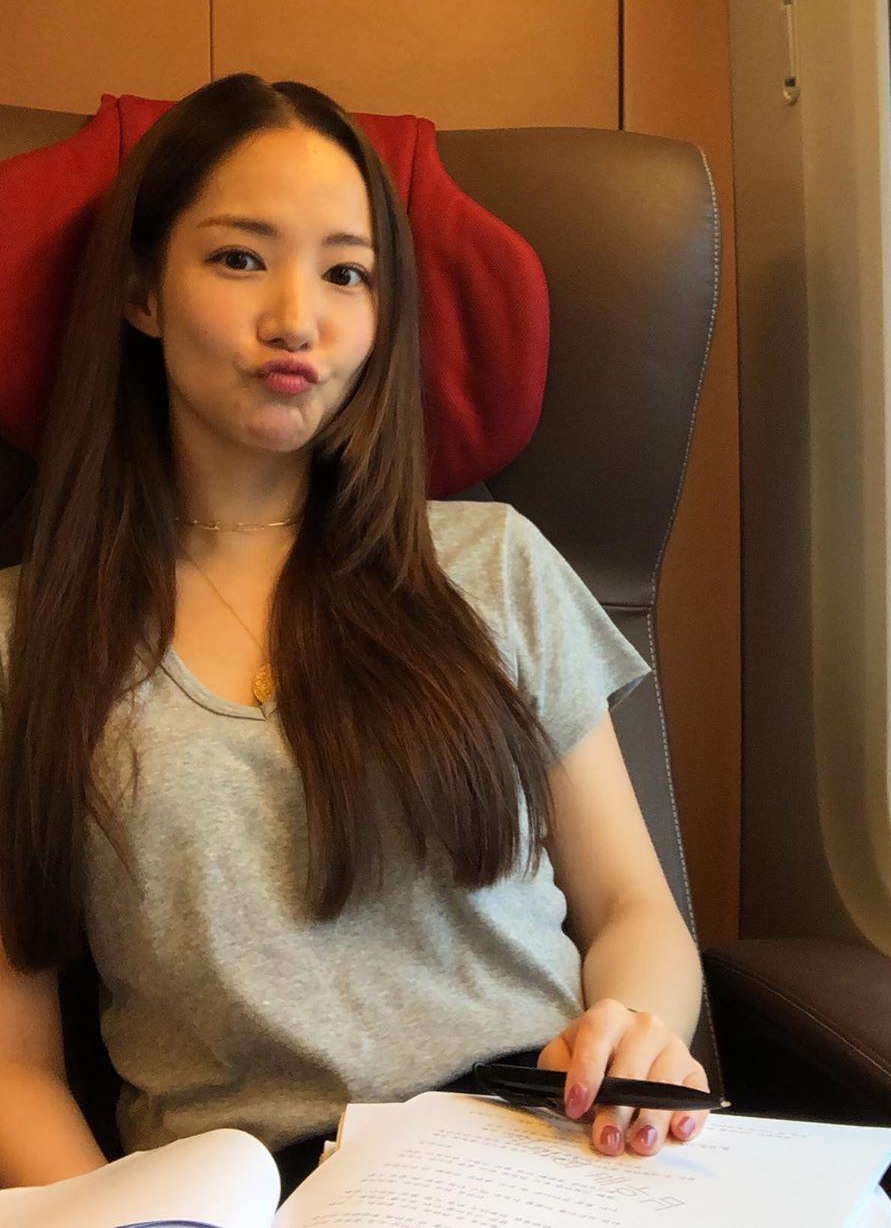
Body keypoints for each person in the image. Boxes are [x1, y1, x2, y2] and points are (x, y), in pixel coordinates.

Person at [0, 73, 707, 1195]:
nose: (298, 318)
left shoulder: (495, 565)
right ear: (142, 292)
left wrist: (634, 1030)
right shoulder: (26, 635)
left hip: (550, 1152)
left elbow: (632, 907)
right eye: (241, 258)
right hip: (258, 1189)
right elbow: (15, 1065)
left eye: (347, 273)